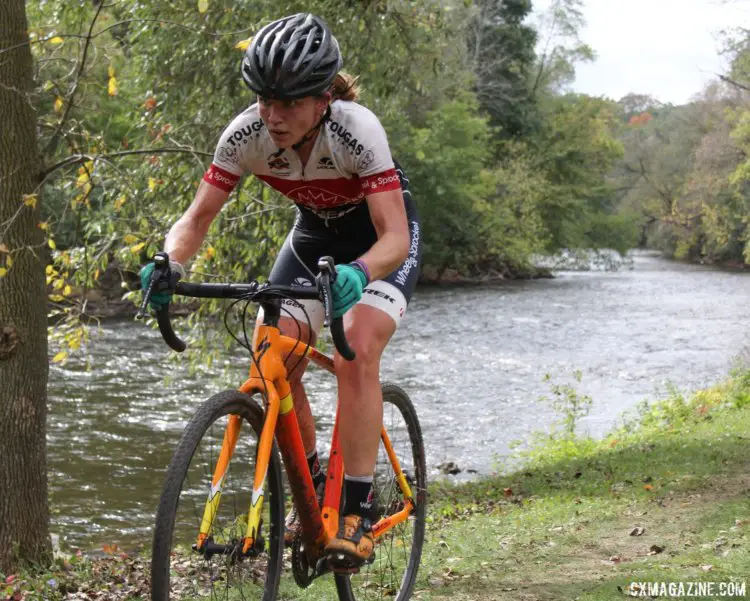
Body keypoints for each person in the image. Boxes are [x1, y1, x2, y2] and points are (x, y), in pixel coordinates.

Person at [140, 12, 422, 568]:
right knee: (274, 347)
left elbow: (394, 235)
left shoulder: (356, 130)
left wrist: (359, 275)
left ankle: (357, 510)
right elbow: (195, 220)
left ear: (322, 100)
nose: (273, 116)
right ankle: (312, 479)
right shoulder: (246, 134)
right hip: (312, 239)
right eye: (265, 100)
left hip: (379, 244)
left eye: (289, 103)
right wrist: (169, 261)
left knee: (356, 353)